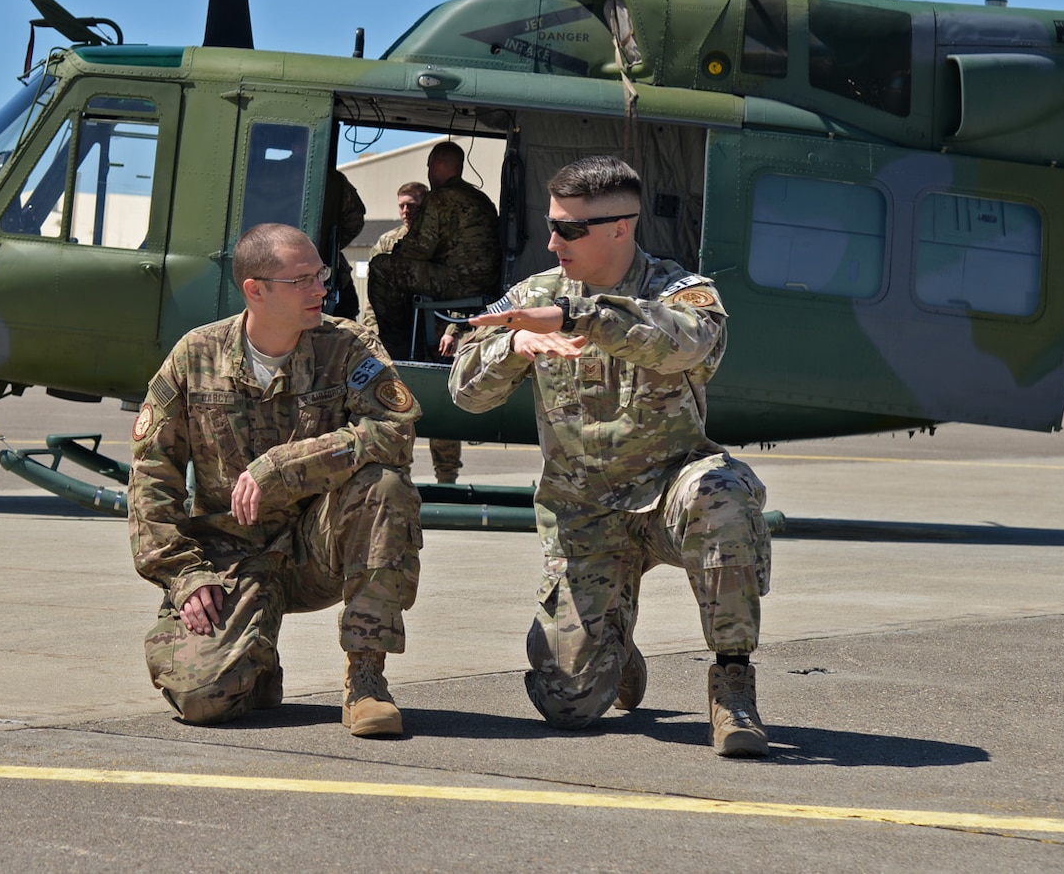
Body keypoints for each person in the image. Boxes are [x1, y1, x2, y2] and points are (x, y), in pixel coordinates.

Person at [447, 155, 773, 758]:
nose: (553, 241)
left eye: (570, 229)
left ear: (620, 226)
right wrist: (515, 343)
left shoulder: (679, 292)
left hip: (669, 492)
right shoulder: (532, 296)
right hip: (584, 511)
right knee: (567, 704)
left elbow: (693, 345)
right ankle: (611, 643)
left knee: (725, 492)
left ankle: (732, 685)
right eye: (552, 225)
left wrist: (581, 317)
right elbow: (465, 394)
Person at [128, 223, 424, 737]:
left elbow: (394, 433)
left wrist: (284, 465)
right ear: (256, 290)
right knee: (204, 699)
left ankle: (367, 680)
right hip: (231, 555)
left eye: (321, 275)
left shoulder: (348, 348)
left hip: (318, 548)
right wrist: (182, 574)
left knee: (385, 486)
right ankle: (254, 659)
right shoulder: (196, 356)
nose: (321, 289)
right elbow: (153, 475)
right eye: (303, 280)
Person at [363, 140, 500, 361]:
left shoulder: (439, 198)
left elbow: (416, 251)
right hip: (486, 285)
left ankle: (395, 345)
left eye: (429, 167)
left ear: (435, 165)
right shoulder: (482, 199)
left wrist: (398, 253)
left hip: (456, 284)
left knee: (382, 266)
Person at [322, 169, 367, 319]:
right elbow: (355, 221)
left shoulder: (261, 171)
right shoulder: (333, 180)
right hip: (327, 270)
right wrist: (327, 248)